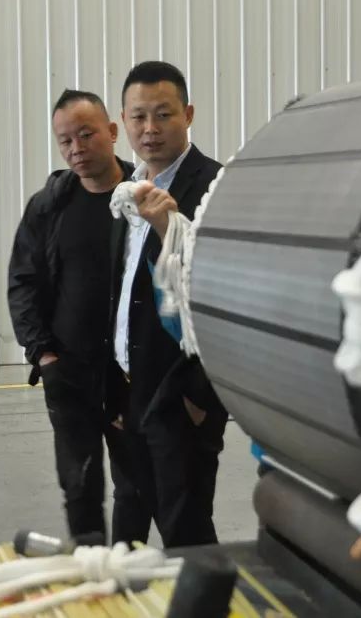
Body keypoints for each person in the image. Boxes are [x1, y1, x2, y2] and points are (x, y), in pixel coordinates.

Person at [8, 89, 148, 544]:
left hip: (130, 376)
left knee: (137, 485)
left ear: (112, 131)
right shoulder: (50, 206)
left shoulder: (143, 197)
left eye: (86, 135)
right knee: (80, 486)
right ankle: (93, 570)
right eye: (65, 140)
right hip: (69, 373)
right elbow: (23, 281)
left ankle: (126, 570)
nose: (76, 149)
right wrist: (43, 354)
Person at [109, 60, 228, 548]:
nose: (150, 129)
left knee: (186, 532)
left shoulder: (216, 189)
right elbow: (122, 289)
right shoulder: (127, 190)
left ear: (189, 114)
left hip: (181, 396)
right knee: (129, 525)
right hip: (129, 391)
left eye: (164, 114)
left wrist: (201, 398)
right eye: (139, 117)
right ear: (124, 120)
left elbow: (223, 298)